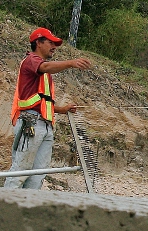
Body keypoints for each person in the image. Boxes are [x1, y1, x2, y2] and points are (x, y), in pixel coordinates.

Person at [5, 27, 92, 190]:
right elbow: (45, 68)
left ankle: (27, 207)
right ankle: (5, 206)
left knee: (38, 174)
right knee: (20, 171)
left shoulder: (44, 72)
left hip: (45, 125)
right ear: (38, 42)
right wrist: (71, 63)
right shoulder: (32, 61)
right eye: (50, 42)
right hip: (30, 124)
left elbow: (41, 103)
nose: (54, 47)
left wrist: (62, 109)